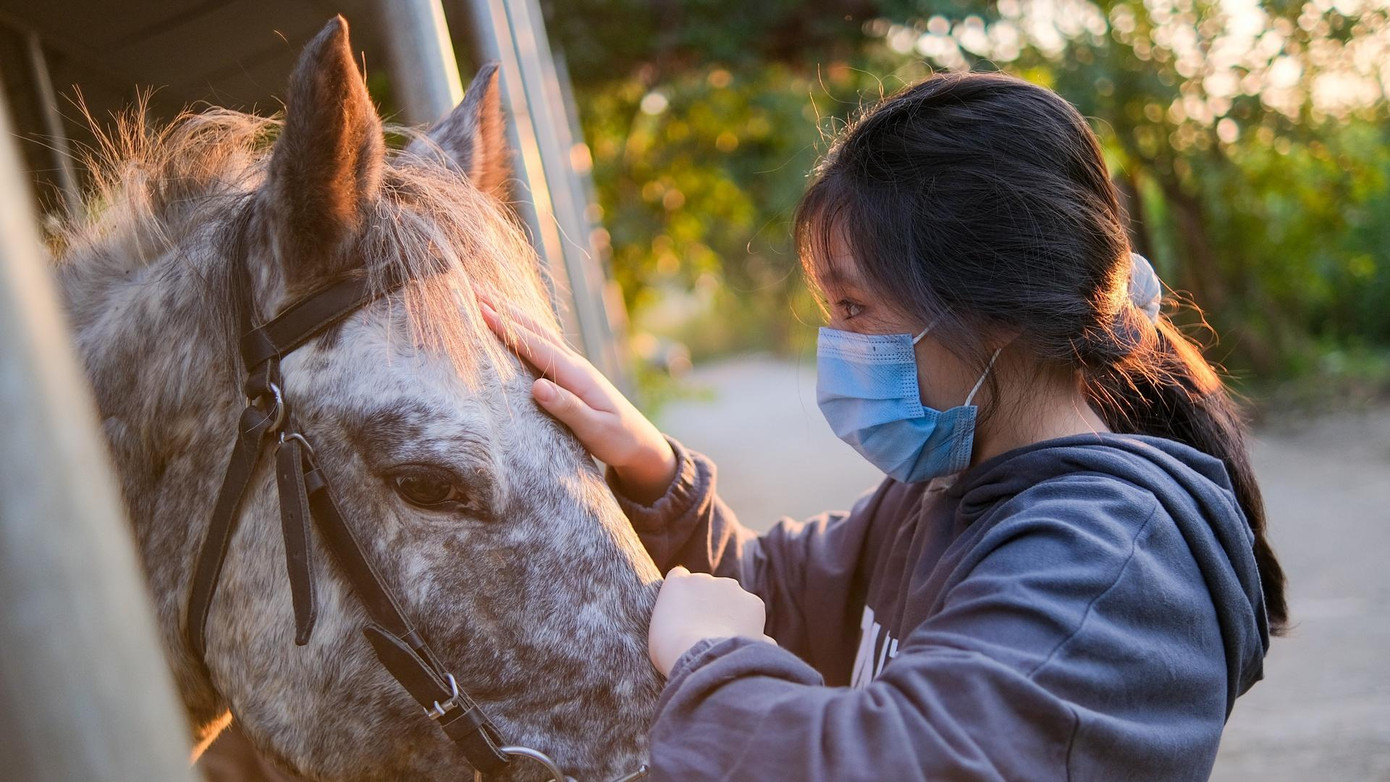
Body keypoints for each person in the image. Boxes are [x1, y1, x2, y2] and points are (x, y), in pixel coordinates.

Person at [479, 71, 1285, 781]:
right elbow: (777, 592)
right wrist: (653, 468)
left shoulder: (1106, 561)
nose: (836, 344)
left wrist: (712, 661)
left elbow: (888, 762)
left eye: (853, 306)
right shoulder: (949, 489)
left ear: (996, 309)